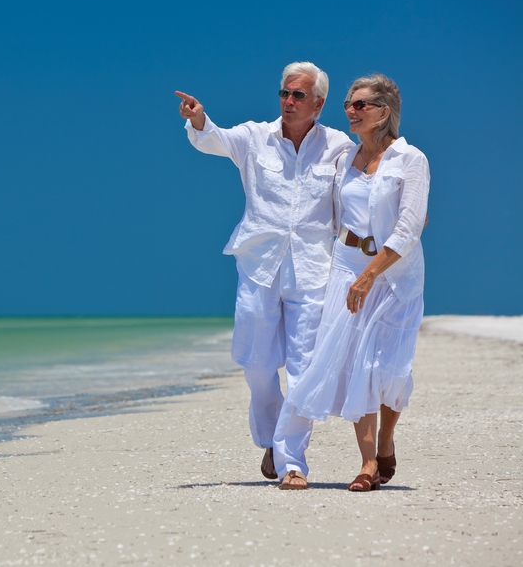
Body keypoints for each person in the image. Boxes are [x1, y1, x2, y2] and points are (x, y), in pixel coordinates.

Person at [175, 62, 353, 482]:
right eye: (284, 94)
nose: (288, 102)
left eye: (298, 96)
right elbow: (213, 138)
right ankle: (273, 437)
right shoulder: (255, 137)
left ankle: (292, 460)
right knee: (255, 361)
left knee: (305, 366)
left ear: (318, 103)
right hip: (258, 265)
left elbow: (356, 197)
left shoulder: (339, 146)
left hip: (314, 268)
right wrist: (198, 118)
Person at [273, 73, 430, 491]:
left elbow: (409, 227)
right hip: (346, 265)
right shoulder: (346, 158)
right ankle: (367, 463)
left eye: (361, 104)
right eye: (348, 103)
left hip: (395, 275)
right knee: (357, 363)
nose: (351, 111)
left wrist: (370, 275)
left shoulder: (410, 159)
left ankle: (386, 440)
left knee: (389, 368)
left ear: (384, 112)